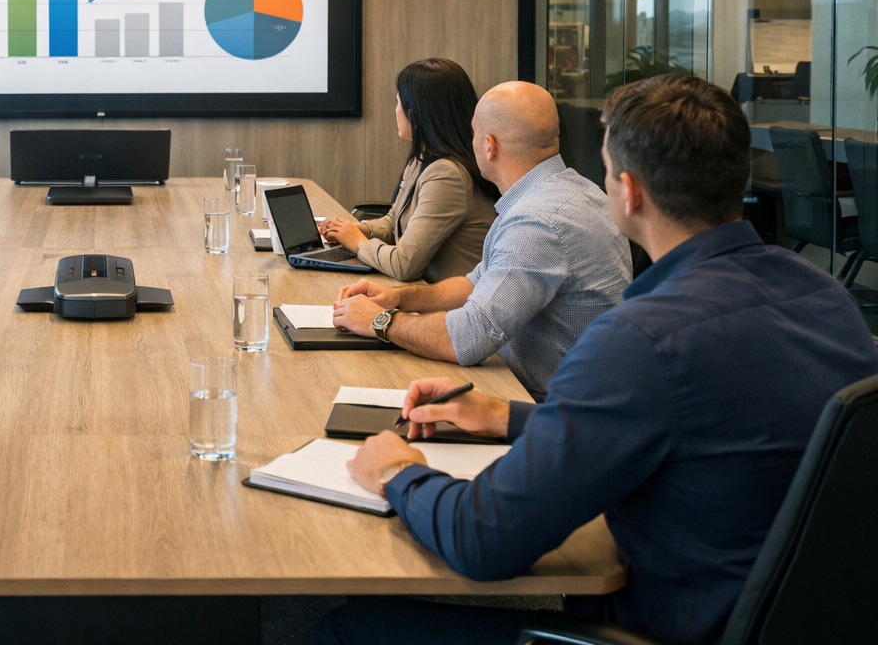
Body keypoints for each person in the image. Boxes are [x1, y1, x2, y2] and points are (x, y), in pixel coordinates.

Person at [316, 74, 878, 645]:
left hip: (667, 626)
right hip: (809, 625)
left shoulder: (641, 338)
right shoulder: (826, 297)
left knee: (352, 627)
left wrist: (396, 472)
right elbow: (696, 418)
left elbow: (482, 539)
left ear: (628, 193)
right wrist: (509, 417)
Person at [332, 80, 631, 399]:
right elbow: (478, 282)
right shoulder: (578, 192)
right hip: (544, 390)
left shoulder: (535, 220)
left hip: (543, 408)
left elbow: (468, 338)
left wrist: (380, 321)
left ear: (489, 146)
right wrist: (399, 298)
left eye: (473, 133)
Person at [320, 58, 496, 282]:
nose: (395, 111)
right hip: (423, 292)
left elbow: (405, 265)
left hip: (447, 306)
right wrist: (354, 229)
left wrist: (358, 242)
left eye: (397, 103)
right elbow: (394, 221)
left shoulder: (447, 175)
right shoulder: (422, 159)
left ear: (416, 114)